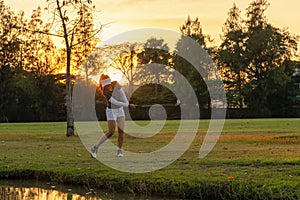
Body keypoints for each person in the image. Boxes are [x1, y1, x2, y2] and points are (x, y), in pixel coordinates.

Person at [91, 74, 136, 158]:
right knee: (111, 131)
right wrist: (128, 106)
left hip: (120, 110)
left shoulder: (115, 84)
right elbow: (114, 102)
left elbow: (122, 94)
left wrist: (127, 103)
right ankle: (95, 147)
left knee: (121, 131)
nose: (108, 86)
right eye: (105, 85)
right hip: (111, 111)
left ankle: (119, 150)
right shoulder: (105, 91)